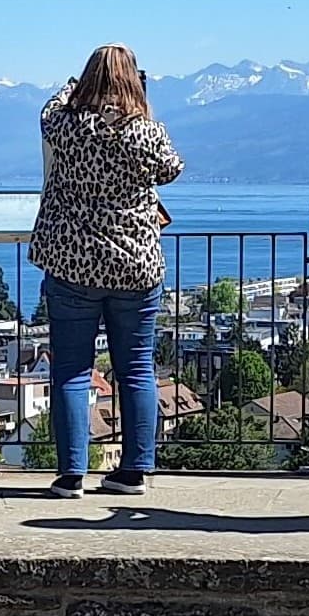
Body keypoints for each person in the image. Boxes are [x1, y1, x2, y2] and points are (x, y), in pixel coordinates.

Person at [29, 45, 183, 500]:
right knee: (136, 369)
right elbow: (172, 168)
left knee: (72, 371)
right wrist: (142, 109)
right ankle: (134, 470)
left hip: (72, 262)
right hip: (136, 267)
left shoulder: (66, 126)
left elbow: (48, 111)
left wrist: (70, 90)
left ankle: (71, 474)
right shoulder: (145, 133)